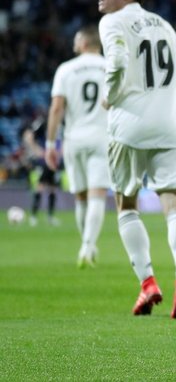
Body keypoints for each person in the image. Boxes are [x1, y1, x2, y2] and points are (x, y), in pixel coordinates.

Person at [95, 0, 176, 318]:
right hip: (168, 126)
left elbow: (117, 63)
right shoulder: (164, 24)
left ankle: (148, 282)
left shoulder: (112, 22)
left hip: (129, 126)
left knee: (127, 204)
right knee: (175, 203)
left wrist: (112, 96)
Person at [45, 26, 110, 267]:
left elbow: (56, 108)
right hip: (102, 137)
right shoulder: (110, 67)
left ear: (82, 42)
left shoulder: (66, 69)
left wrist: (51, 143)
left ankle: (86, 244)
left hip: (74, 138)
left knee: (81, 197)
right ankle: (88, 245)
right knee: (97, 196)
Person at [22, 126, 60, 227]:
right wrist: (37, 150)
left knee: (52, 189)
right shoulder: (42, 125)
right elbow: (28, 136)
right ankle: (33, 216)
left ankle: (50, 217)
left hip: (53, 164)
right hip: (43, 163)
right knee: (40, 188)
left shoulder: (59, 128)